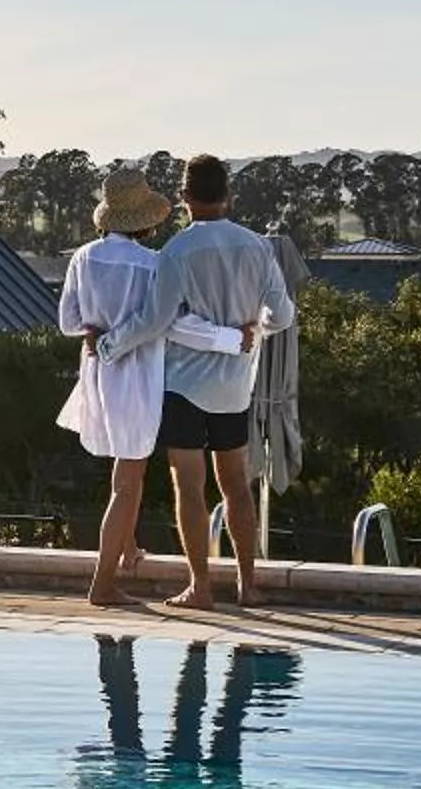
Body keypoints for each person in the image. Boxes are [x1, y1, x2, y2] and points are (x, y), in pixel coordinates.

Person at [96, 154, 298, 609]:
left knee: (188, 487)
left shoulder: (177, 252)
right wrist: (252, 332)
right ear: (228, 196)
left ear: (186, 198)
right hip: (234, 388)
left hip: (183, 387)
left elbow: (154, 320)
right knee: (236, 485)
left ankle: (200, 587)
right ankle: (248, 585)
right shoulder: (256, 247)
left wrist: (110, 346)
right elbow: (282, 315)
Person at [56, 169, 250, 607]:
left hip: (98, 376)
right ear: (144, 219)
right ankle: (102, 585)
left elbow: (69, 323)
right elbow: (174, 323)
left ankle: (127, 550)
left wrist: (95, 331)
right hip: (138, 378)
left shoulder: (82, 258)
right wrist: (231, 338)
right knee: (128, 479)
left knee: (125, 472)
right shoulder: (151, 265)